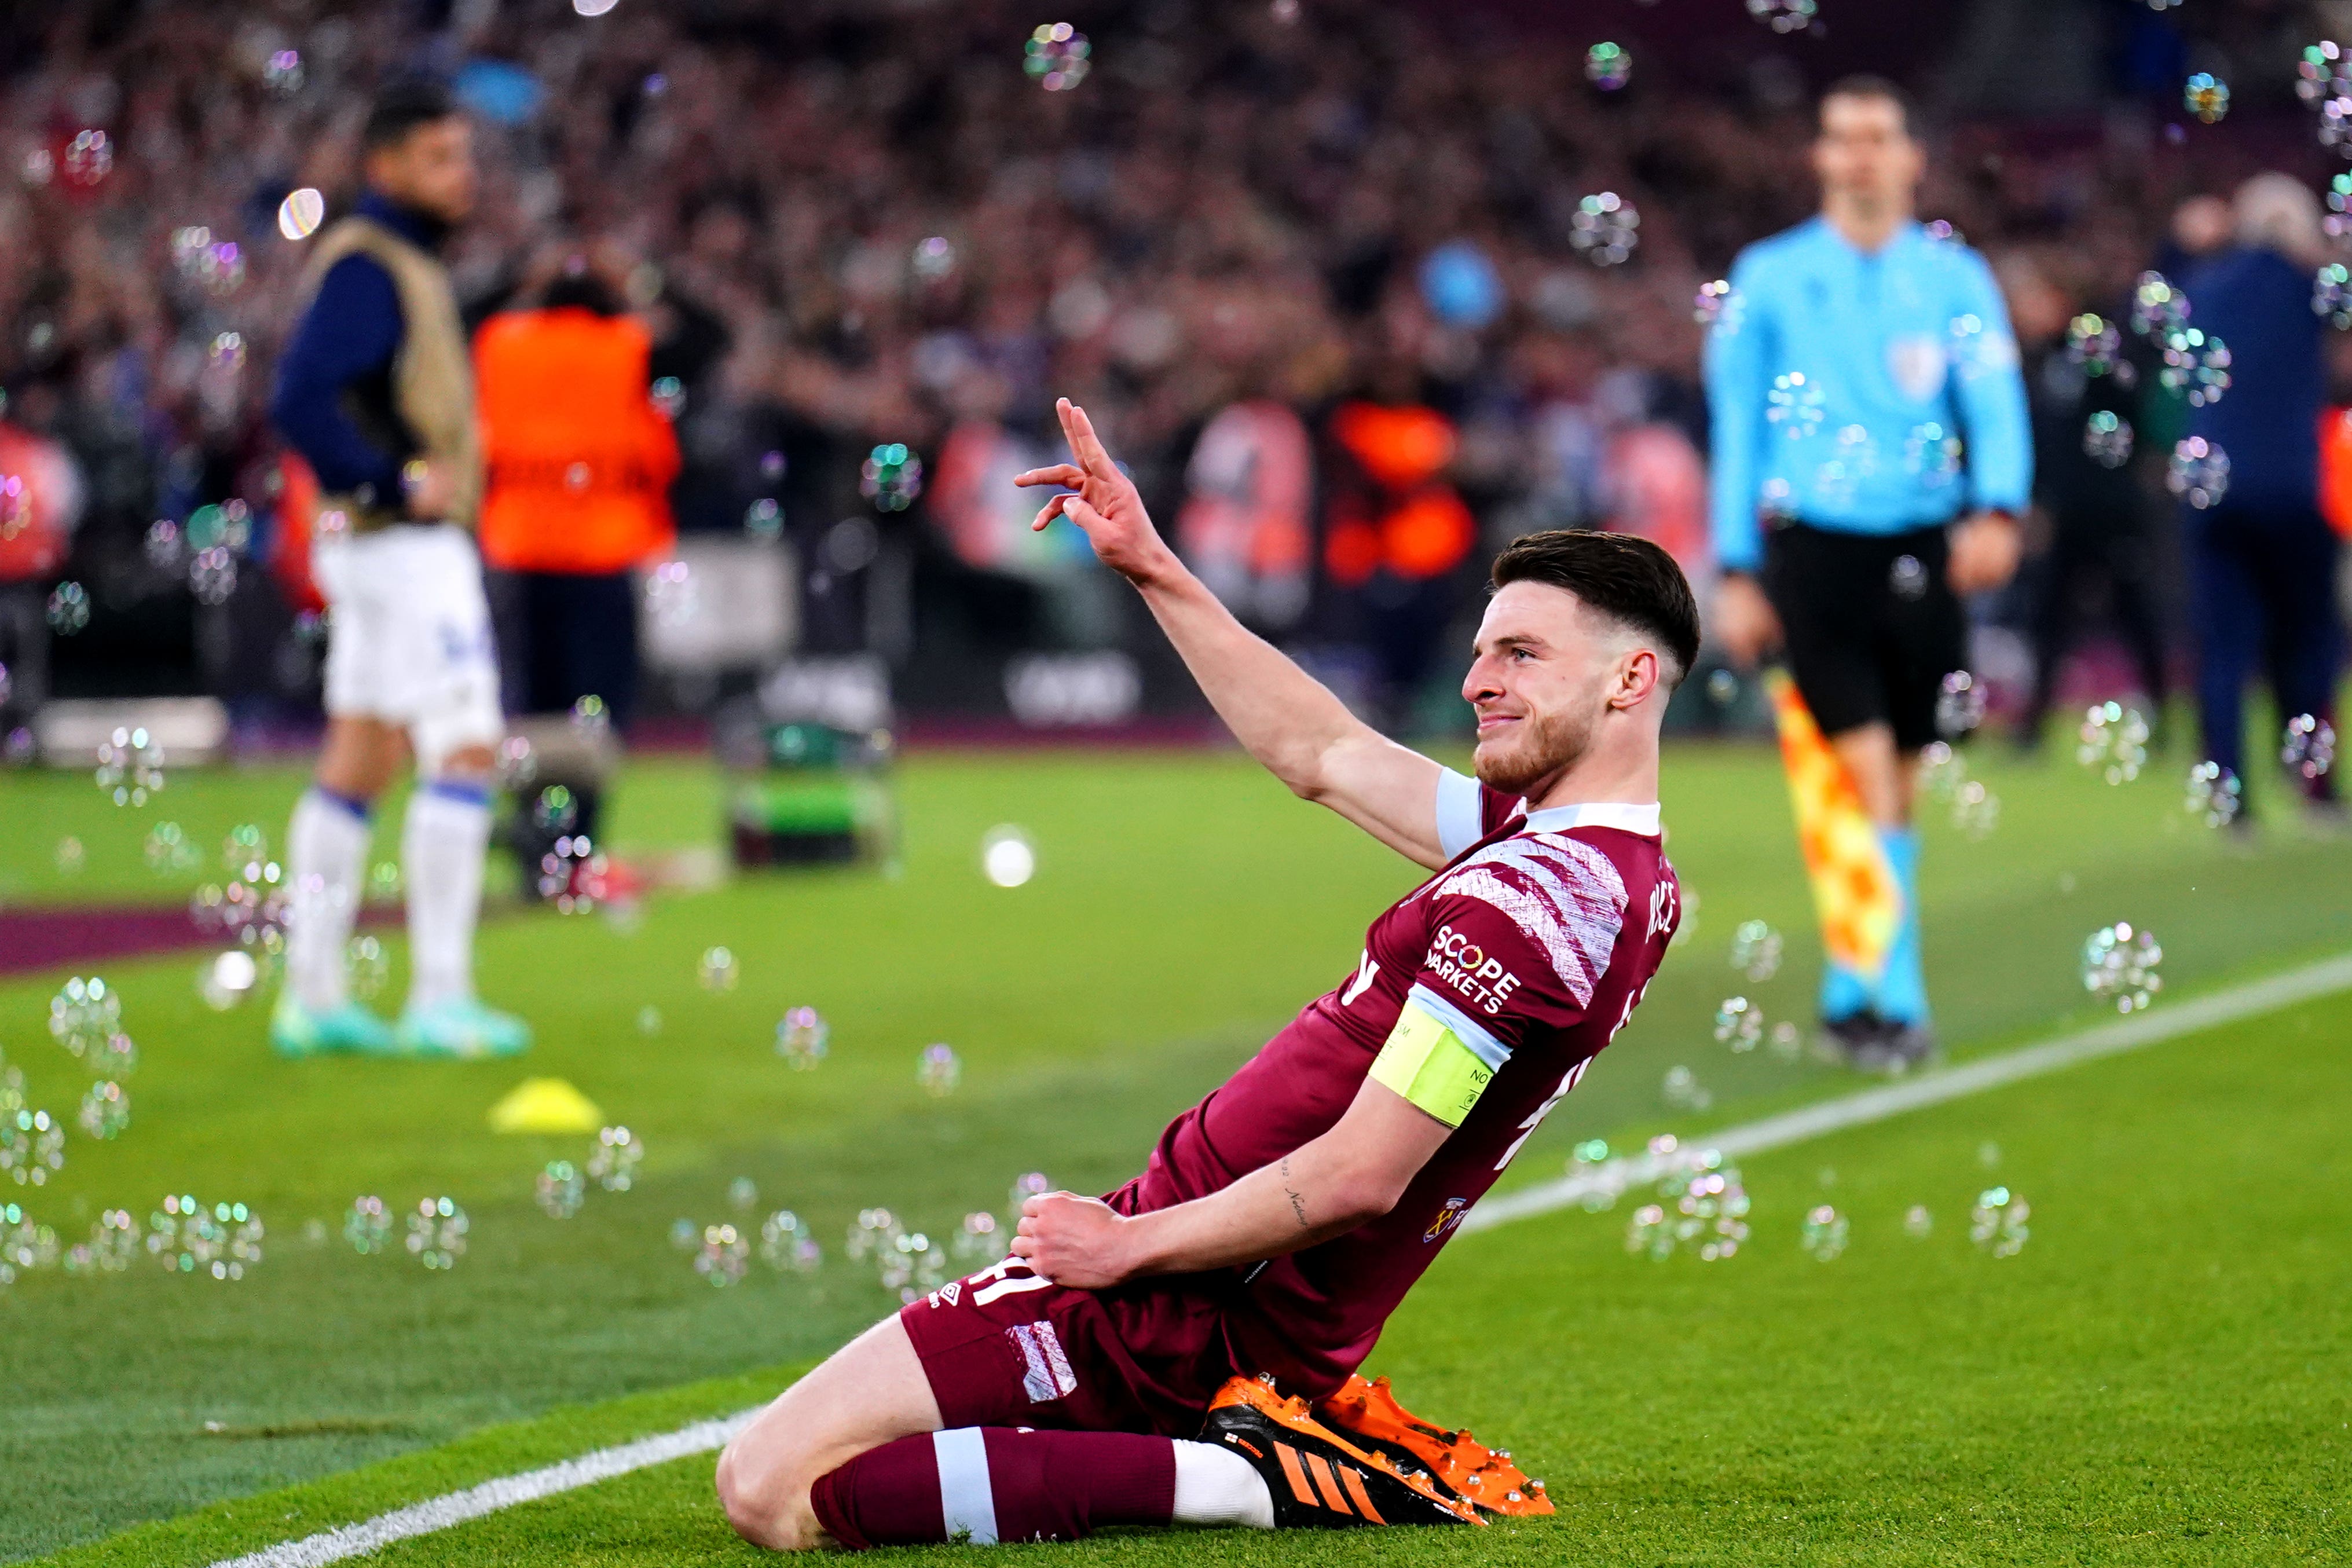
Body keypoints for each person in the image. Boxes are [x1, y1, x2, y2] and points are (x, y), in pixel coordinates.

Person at [713, 398, 1691, 1549]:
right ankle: (1249, 1443)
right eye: (1480, 650)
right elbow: (1322, 753)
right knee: (808, 1464)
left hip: (1184, 1303)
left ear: (1629, 681)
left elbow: (1359, 1178)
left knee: (770, 1488)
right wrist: (1150, 562)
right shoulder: (1596, 868)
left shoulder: (1526, 904)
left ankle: (1254, 1474)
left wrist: (1125, 1251)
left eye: (1521, 653)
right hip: (1208, 1285)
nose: (1479, 678)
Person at [1705, 76, 2031, 1067]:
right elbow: (1737, 424)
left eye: (1877, 136)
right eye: (1841, 137)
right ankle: (1895, 999)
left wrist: (1999, 505)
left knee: (1894, 772)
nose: (1858, 154)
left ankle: (1854, 987)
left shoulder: (1953, 280)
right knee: (1854, 766)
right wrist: (1734, 565)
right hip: (1811, 544)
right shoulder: (1765, 277)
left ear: (1908, 157)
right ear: (1817, 156)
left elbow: (1993, 399)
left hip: (1922, 543)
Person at [266, 78, 529, 1059]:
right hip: (407, 547)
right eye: (440, 157)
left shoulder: (396, 263)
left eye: (464, 156)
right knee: (463, 742)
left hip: (372, 549)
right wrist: (386, 481)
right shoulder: (373, 265)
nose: (462, 176)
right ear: (385, 166)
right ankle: (440, 996)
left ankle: (313, 995)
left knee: (362, 754)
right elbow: (298, 399)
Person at [476, 246, 681, 868]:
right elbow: (708, 337)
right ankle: (577, 847)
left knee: (533, 708)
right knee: (597, 712)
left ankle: (534, 839)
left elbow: (457, 312)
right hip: (603, 552)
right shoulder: (630, 345)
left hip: (521, 550)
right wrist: (640, 278)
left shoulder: (501, 341)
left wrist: (516, 271)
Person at [2178, 175, 2346, 826]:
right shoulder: (2312, 289)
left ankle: (2232, 801)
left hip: (2214, 489)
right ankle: (2315, 787)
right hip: (2296, 489)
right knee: (2307, 639)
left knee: (2221, 649)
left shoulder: (2205, 286)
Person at [1997, 251, 2166, 746]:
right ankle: (2031, 727)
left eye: (2028, 299)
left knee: (2134, 615)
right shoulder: (2041, 360)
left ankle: (2161, 719)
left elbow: (2129, 415)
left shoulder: (2095, 350)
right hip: (2067, 513)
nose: (2019, 312)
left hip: (2110, 511)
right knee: (2048, 619)